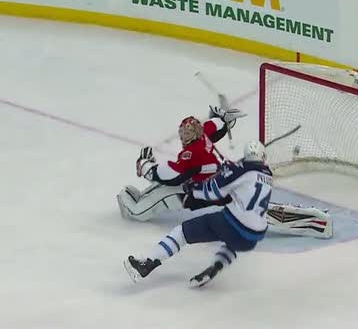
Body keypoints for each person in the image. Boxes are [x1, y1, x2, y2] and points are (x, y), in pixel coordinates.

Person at [124, 140, 272, 287]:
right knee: (233, 242)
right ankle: (216, 267)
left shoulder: (243, 170)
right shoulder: (268, 176)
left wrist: (194, 188)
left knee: (182, 232)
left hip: (232, 224)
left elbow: (213, 192)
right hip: (253, 238)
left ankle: (147, 262)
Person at [116, 106, 246, 221]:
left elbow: (173, 176)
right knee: (165, 185)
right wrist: (223, 118)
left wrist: (146, 166)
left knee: (137, 212)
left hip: (202, 194)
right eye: (183, 133)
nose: (184, 137)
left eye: (188, 133)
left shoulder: (192, 152)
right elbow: (216, 125)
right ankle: (139, 196)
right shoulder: (202, 135)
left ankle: (127, 198)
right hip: (218, 181)